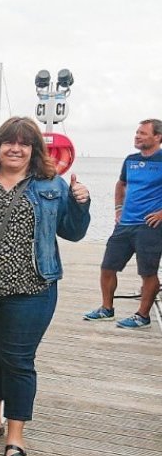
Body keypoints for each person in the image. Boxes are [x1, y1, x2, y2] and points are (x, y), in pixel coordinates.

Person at [0, 117, 90, 456]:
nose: (15, 148)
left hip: (33, 289)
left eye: (24, 143)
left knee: (17, 360)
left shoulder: (51, 185)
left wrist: (81, 203)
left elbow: (74, 232)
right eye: (9, 142)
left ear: (34, 149)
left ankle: (16, 435)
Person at [84, 118, 162, 329]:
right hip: (125, 224)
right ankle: (106, 309)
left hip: (150, 227)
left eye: (143, 133)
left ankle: (142, 316)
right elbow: (121, 184)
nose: (137, 136)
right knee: (107, 267)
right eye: (137, 133)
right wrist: (118, 209)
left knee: (148, 272)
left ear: (157, 137)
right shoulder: (130, 160)